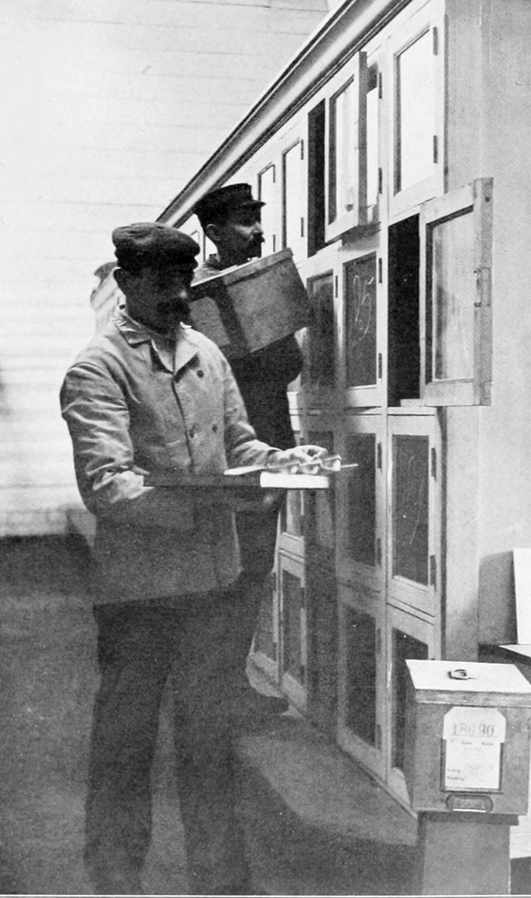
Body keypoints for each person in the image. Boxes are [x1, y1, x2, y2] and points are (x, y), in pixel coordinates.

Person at [60, 222, 326, 896]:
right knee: (127, 739)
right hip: (140, 591)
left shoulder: (206, 351)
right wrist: (212, 502)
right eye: (162, 282)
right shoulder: (98, 368)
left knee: (209, 736)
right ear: (126, 282)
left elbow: (239, 443)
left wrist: (281, 459)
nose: (179, 294)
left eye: (183, 279)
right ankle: (115, 879)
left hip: (212, 581)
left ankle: (221, 880)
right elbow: (107, 485)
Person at [192, 183, 304, 715]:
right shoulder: (194, 297)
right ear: (214, 232)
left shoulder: (261, 285)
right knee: (225, 572)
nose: (258, 230)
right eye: (244, 221)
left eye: (257, 218)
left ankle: (227, 684)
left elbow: (289, 365)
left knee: (254, 568)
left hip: (270, 445)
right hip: (226, 454)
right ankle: (211, 689)